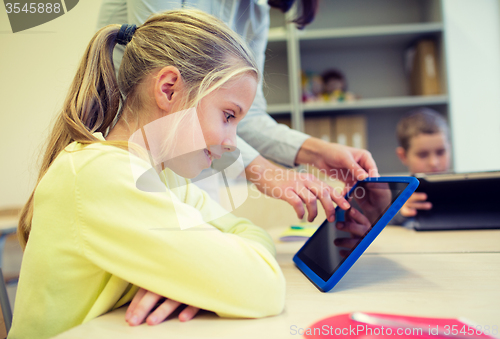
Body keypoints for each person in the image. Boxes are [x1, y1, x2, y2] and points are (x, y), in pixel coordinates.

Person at [10, 10, 287, 339]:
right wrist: (203, 281)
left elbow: (251, 233)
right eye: (228, 116)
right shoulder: (101, 176)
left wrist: (192, 282)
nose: (231, 142)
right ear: (169, 90)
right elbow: (262, 288)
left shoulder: (166, 178)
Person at [96, 0, 379, 226]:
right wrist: (266, 172)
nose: (231, 143)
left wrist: (316, 152)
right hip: (148, 150)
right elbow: (177, 87)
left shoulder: (256, 9)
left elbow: (245, 112)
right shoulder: (110, 180)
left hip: (179, 161)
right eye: (227, 119)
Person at [391, 107, 451, 224]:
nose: (434, 163)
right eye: (422, 155)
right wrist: (400, 213)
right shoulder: (390, 195)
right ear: (403, 156)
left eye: (441, 152)